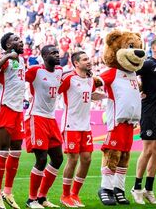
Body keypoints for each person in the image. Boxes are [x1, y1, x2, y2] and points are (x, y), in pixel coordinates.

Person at [97, 34, 145, 206]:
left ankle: (119, 189)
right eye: (131, 47)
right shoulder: (113, 73)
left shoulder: (132, 74)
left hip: (130, 123)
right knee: (112, 154)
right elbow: (97, 81)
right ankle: (106, 188)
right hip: (116, 122)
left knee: (124, 156)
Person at [58, 51, 105, 207]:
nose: (88, 61)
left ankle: (75, 194)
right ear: (76, 63)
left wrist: (105, 96)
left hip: (85, 125)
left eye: (88, 59)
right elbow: (54, 91)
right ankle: (65, 195)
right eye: (84, 59)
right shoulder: (68, 78)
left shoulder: (91, 80)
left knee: (87, 159)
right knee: (73, 159)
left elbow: (89, 95)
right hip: (71, 124)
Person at [0, 33, 27, 209]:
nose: (21, 41)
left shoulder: (22, 60)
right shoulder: (5, 60)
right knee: (3, 150)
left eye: (20, 39)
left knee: (16, 151)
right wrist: (6, 57)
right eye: (16, 40)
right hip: (4, 107)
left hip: (18, 110)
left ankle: (8, 192)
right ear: (8, 45)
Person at [24, 45, 65, 208]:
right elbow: (18, 78)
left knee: (58, 158)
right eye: (53, 53)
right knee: (41, 159)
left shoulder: (60, 71)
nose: (57, 55)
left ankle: (42, 197)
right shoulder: (35, 71)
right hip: (36, 117)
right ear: (44, 56)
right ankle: (31, 199)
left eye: (57, 52)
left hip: (51, 118)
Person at [131, 37, 156, 205]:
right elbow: (131, 74)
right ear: (153, 48)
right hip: (149, 112)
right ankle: (136, 187)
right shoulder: (147, 64)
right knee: (147, 150)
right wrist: (139, 90)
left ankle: (149, 189)